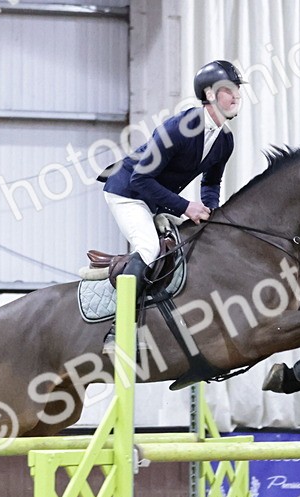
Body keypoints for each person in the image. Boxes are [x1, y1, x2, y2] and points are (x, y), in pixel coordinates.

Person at [97, 59, 245, 352]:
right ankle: (120, 329)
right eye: (229, 89)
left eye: (238, 89)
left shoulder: (224, 140)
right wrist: (185, 207)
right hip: (128, 192)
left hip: (157, 196)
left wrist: (211, 211)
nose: (237, 95)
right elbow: (140, 179)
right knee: (148, 248)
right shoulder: (179, 128)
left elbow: (211, 183)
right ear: (210, 94)